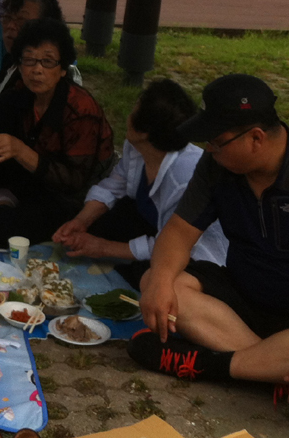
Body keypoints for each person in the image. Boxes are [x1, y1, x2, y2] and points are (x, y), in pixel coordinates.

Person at [129, 75, 289, 421]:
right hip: (242, 298)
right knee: (158, 282)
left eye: (216, 142)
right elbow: (178, 233)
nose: (209, 150)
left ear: (256, 138)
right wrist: (159, 280)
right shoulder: (217, 165)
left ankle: (210, 365)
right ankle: (274, 372)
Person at [0, 18, 115, 249]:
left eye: (48, 61)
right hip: (33, 174)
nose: (37, 70)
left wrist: (20, 151)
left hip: (68, 196)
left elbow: (74, 182)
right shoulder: (22, 90)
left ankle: (4, 197)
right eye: (29, 60)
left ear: (63, 69)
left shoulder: (81, 110)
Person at [52, 79, 228, 288]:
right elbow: (113, 186)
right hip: (151, 226)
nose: (128, 116)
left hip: (190, 251)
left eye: (133, 111)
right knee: (97, 225)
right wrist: (81, 221)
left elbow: (172, 244)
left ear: (145, 132)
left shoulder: (183, 179)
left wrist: (103, 247)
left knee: (146, 275)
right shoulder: (137, 146)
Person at [0, 0, 71, 106]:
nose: (10, 26)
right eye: (7, 18)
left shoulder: (41, 82)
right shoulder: (11, 61)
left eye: (22, 21)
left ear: (47, 26)